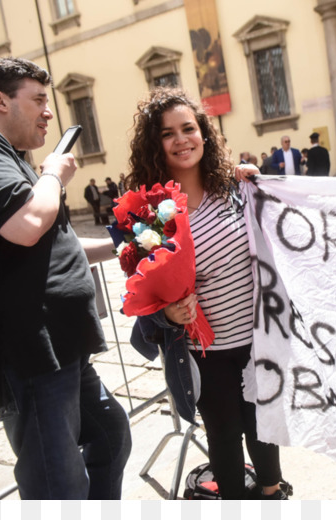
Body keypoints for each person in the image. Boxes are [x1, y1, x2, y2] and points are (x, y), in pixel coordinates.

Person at [0, 57, 131, 499]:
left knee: (109, 436)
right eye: (39, 99)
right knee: (55, 484)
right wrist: (53, 176)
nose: (49, 111)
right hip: (28, 350)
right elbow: (27, 225)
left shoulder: (12, 158)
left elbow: (53, 242)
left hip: (61, 344)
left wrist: (125, 250)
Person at [125, 87, 289, 500]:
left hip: (258, 340)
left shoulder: (236, 189)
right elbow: (144, 299)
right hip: (203, 351)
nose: (181, 139)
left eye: (188, 128)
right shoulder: (149, 217)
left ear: (204, 133)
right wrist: (169, 315)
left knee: (264, 428)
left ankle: (273, 496)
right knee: (224, 437)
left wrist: (253, 177)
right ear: (154, 144)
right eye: (167, 133)